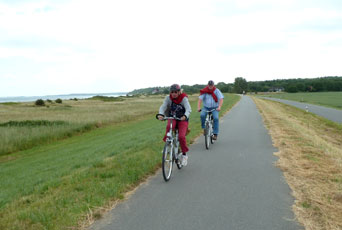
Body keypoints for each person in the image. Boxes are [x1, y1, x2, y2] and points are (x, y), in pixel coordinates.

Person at [157, 84, 192, 166]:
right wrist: (161, 114)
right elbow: (163, 107)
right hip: (172, 117)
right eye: (172, 92)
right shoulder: (168, 98)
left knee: (181, 137)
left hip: (182, 119)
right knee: (169, 126)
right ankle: (168, 145)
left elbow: (188, 109)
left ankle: (184, 155)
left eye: (176, 92)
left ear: (179, 92)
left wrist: (185, 116)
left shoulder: (184, 98)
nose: (174, 94)